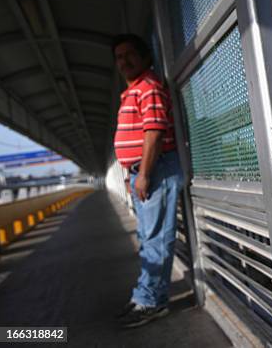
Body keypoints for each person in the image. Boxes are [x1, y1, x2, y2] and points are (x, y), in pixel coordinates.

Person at [111, 33, 184, 328]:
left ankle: (153, 301)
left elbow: (153, 131)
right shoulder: (135, 90)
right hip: (143, 172)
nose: (124, 61)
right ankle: (144, 295)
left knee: (155, 240)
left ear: (144, 56)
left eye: (129, 54)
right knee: (148, 239)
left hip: (154, 170)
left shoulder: (149, 87)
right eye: (119, 57)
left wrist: (143, 174)